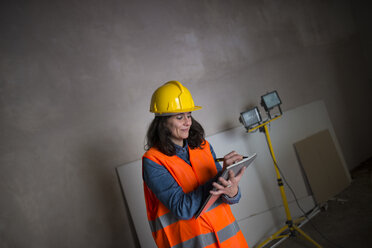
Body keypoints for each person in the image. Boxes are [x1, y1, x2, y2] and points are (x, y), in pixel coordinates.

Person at [142, 80, 249, 248]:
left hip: (231, 243)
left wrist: (232, 189)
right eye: (179, 117)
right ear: (162, 122)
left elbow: (229, 196)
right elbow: (181, 208)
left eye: (189, 115)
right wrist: (219, 179)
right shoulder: (153, 161)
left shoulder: (203, 146)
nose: (187, 122)